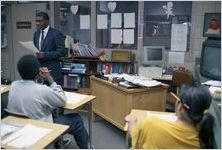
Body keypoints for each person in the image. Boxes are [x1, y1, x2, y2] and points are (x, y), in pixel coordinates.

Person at [7, 55, 89, 149]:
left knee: (53, 111)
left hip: (21, 127)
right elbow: (62, 100)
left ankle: (59, 142)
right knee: (76, 119)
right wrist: (51, 79)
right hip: (41, 128)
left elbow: (32, 91)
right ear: (37, 71)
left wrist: (38, 79)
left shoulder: (14, 85)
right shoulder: (43, 90)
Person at [125, 85, 214, 149]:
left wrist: (132, 121)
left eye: (178, 99)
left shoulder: (152, 124)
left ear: (181, 108)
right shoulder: (198, 143)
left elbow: (134, 135)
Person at [33, 11, 67, 86]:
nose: (37, 23)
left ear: (47, 21)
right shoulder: (36, 34)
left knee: (54, 96)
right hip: (40, 73)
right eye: (36, 21)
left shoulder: (56, 33)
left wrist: (44, 55)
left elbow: (62, 52)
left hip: (53, 73)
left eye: (40, 21)